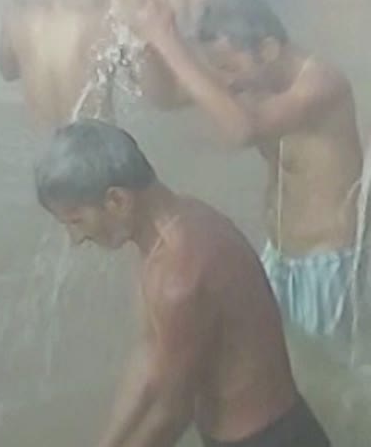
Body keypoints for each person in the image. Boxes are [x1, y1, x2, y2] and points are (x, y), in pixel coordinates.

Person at [35, 120, 331, 447]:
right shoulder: (172, 227)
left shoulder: (180, 275)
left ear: (117, 201)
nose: (75, 238)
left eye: (76, 221)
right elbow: (149, 353)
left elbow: (172, 412)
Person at [108, 0, 364, 340]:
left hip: (325, 261)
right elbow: (164, 96)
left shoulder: (322, 86)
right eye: (219, 69)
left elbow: (243, 130)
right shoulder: (251, 76)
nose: (227, 79)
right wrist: (146, 42)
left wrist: (167, 39)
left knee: (326, 371)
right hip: (279, 253)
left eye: (230, 67)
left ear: (269, 49)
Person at [0, 0, 114, 131]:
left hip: (45, 150)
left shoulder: (17, 11)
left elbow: (8, 72)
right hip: (93, 145)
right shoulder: (103, 14)